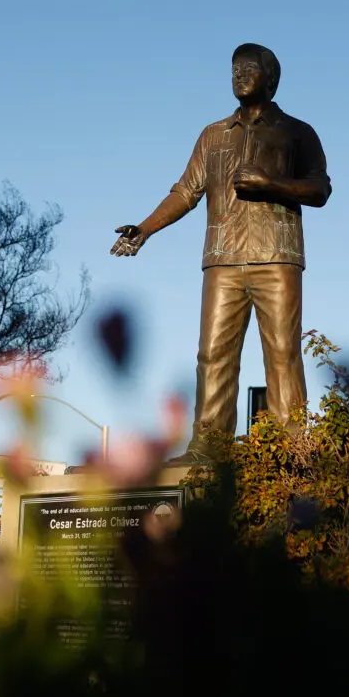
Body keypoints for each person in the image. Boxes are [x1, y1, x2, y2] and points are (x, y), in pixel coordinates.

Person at [111, 43, 331, 464]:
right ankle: (208, 446)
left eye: (249, 68)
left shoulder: (297, 132)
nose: (238, 75)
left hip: (277, 256)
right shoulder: (212, 136)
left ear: (271, 77)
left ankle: (291, 451)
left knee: (283, 353)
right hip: (223, 259)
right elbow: (185, 191)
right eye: (233, 69)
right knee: (212, 353)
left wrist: (271, 183)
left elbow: (319, 188)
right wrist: (145, 228)